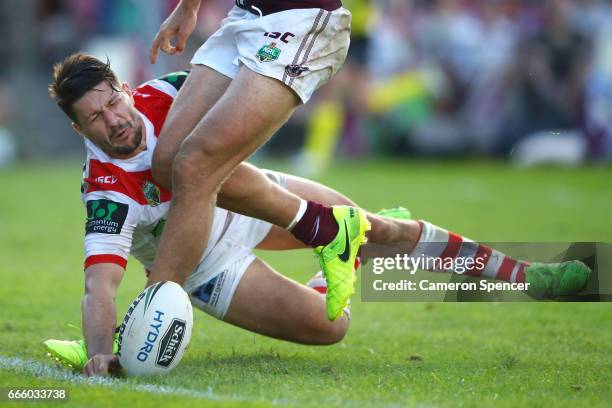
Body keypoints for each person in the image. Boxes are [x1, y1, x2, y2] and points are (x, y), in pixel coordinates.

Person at [44, 54, 590, 377]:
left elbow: (249, 87)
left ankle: (529, 275)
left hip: (254, 199)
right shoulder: (107, 192)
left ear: (122, 87)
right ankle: (341, 249)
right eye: (94, 118)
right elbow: (101, 285)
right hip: (210, 268)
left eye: (112, 101)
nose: (113, 120)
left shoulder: (173, 93)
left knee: (392, 231)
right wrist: (98, 354)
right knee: (333, 327)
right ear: (79, 130)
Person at [146, 0, 364, 323]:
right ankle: (328, 229)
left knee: (194, 166)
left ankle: (147, 321)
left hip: (299, 18)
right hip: (247, 15)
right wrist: (187, 8)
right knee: (167, 163)